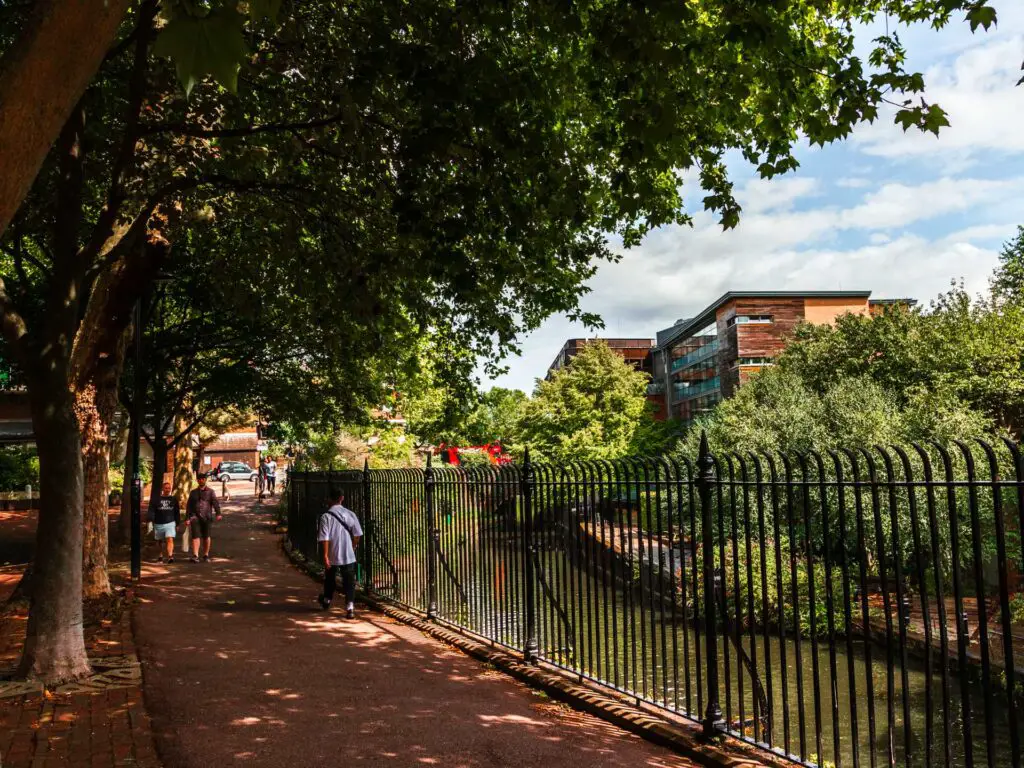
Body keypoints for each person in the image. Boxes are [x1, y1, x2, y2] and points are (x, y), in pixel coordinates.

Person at [317, 486, 362, 618]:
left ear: (329, 499)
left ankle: (326, 600)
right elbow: (357, 534)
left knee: (330, 579)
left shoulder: (326, 516)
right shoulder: (350, 514)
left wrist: (325, 555)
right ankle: (350, 607)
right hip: (348, 554)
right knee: (349, 581)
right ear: (342, 498)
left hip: (332, 553)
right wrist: (352, 546)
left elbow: (324, 538)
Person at [186, 473, 222, 563]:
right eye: (199, 479)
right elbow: (189, 506)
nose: (201, 480)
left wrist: (218, 513)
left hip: (207, 517)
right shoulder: (193, 492)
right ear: (197, 480)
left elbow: (215, 503)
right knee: (195, 536)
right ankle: (195, 555)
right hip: (194, 517)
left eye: (202, 479)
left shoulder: (210, 491)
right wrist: (187, 518)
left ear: (205, 480)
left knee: (206, 537)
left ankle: (206, 555)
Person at [149, 481, 180, 563]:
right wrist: (150, 520)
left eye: (169, 488)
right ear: (163, 489)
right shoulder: (156, 499)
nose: (167, 489)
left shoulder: (174, 499)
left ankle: (170, 556)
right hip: (158, 522)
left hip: (170, 522)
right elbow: (152, 511)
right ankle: (160, 555)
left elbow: (177, 512)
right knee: (159, 541)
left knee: (170, 538)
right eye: (166, 488)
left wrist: (177, 523)